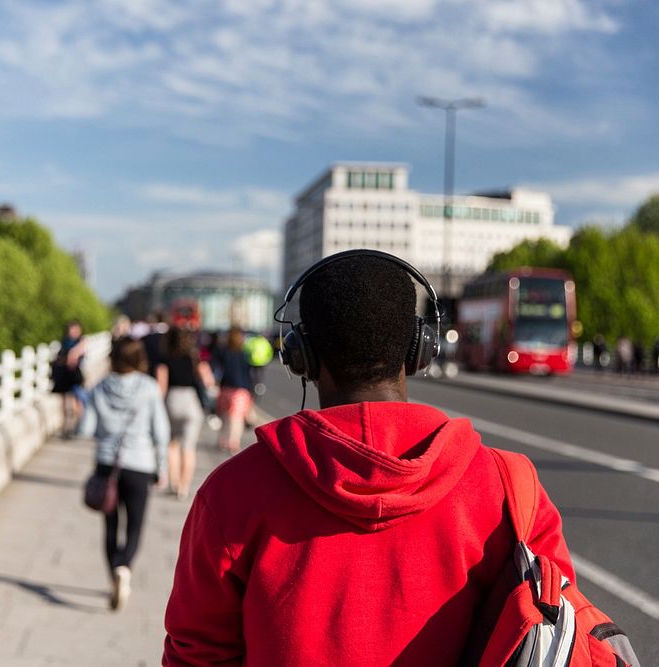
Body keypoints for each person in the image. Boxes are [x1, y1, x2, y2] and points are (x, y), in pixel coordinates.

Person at [163, 252, 579, 665]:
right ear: (420, 348)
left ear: (301, 354)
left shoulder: (232, 492)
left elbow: (195, 653)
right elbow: (557, 632)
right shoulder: (511, 489)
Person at [79, 336, 170, 611]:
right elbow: (161, 432)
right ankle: (124, 567)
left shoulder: (99, 389)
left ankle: (113, 575)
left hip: (107, 464)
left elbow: (85, 429)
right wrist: (162, 467)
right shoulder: (149, 388)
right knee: (135, 525)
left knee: (110, 525)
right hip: (140, 465)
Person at [156, 327, 216, 500]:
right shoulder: (195, 357)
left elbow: (161, 386)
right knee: (189, 448)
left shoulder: (164, 358)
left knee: (172, 444)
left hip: (172, 400)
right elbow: (208, 380)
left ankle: (173, 483)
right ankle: (184, 487)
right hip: (191, 402)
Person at [212, 326, 254, 454]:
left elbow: (215, 366)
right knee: (237, 419)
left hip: (225, 388)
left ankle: (222, 441)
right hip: (241, 391)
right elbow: (249, 374)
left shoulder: (223, 351)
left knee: (225, 416)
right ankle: (233, 443)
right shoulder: (245, 353)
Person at [51, 320, 87, 436]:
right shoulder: (65, 341)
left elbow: (74, 357)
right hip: (64, 375)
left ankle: (78, 424)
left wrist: (71, 355)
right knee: (65, 400)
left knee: (78, 400)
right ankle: (66, 425)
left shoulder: (81, 341)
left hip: (75, 376)